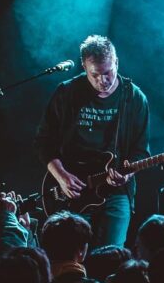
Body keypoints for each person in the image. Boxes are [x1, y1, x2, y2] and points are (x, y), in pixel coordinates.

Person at [36, 35, 149, 248]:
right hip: (72, 190)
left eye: (108, 73)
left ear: (116, 62)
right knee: (70, 254)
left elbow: (141, 151)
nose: (102, 81)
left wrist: (127, 173)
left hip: (115, 192)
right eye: (95, 74)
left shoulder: (134, 98)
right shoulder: (67, 92)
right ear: (84, 66)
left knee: (111, 256)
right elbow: (44, 141)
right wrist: (61, 177)